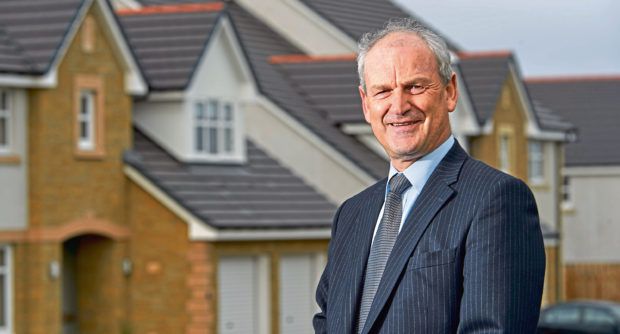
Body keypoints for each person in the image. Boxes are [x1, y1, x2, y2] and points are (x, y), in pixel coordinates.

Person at [313, 18, 546, 334]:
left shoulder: (495, 200)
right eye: (383, 91)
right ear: (366, 105)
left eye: (415, 86)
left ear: (450, 92)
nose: (399, 105)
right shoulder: (352, 215)